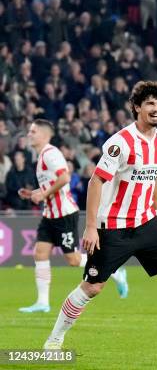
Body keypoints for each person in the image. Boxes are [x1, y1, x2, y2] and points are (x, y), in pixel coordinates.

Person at [43, 81, 157, 362]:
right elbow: (97, 181)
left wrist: (156, 209)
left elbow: (156, 174)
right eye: (150, 104)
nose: (156, 109)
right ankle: (54, 341)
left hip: (146, 222)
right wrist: (91, 226)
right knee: (93, 287)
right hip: (113, 227)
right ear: (137, 107)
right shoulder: (120, 143)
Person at [18, 119, 128, 313]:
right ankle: (43, 302)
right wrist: (36, 192)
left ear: (44, 134)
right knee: (40, 253)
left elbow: (65, 178)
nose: (29, 134)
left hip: (64, 215)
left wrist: (43, 194)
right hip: (50, 214)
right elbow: (53, 185)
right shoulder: (42, 155)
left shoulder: (50, 154)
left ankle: (115, 271)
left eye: (33, 131)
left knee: (74, 260)